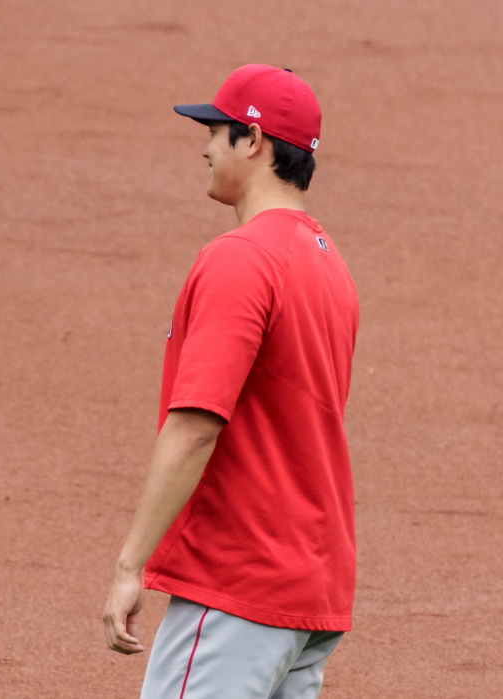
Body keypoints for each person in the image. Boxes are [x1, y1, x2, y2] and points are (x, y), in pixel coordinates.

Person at [102, 64, 359, 697]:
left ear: (254, 141)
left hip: (240, 580)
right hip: (311, 585)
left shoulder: (242, 258)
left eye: (216, 131)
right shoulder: (331, 267)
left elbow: (196, 424)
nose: (205, 147)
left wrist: (131, 563)